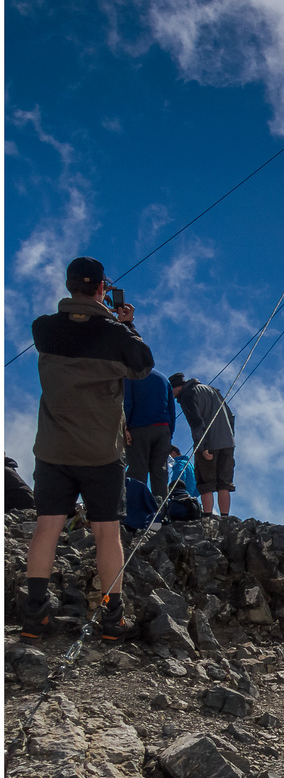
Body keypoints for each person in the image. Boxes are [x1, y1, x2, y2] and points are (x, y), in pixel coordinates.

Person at [22, 256, 152, 640]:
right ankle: (113, 622)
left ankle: (35, 617)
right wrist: (125, 323)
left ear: (68, 286)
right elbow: (142, 366)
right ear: (101, 289)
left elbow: (74, 331)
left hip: (52, 447)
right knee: (106, 532)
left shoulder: (43, 329)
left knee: (47, 527)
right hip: (101, 451)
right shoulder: (115, 334)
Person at [169, 372, 236, 517]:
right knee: (225, 483)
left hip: (207, 443)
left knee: (206, 483)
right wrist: (231, 437)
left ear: (177, 387)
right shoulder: (212, 390)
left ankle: (208, 516)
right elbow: (230, 416)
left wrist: (202, 446)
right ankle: (224, 517)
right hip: (227, 442)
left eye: (171, 391)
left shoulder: (187, 395)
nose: (172, 396)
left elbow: (196, 422)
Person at [122, 366, 176, 501]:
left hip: (139, 427)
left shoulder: (130, 376)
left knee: (138, 470)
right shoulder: (163, 378)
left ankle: (136, 511)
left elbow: (127, 403)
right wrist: (170, 433)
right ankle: (161, 514)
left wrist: (125, 427)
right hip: (163, 429)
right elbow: (171, 408)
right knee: (160, 472)